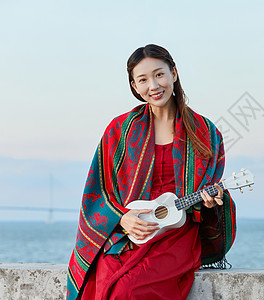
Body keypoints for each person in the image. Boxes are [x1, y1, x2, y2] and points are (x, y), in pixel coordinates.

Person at [66, 44, 237, 300]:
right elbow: (97, 189)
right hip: (128, 231)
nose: (153, 86)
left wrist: (212, 202)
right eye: (143, 79)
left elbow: (210, 195)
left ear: (174, 74)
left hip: (175, 233)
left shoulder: (205, 131)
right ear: (135, 86)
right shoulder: (120, 130)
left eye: (159, 74)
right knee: (100, 284)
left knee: (128, 290)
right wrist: (122, 218)